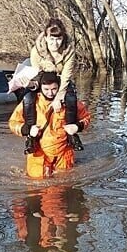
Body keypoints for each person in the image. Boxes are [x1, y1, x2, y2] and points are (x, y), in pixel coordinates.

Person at [9, 72, 91, 178]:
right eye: (46, 89)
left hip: (63, 152)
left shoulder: (70, 103)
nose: (50, 93)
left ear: (59, 88)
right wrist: (27, 130)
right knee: (36, 182)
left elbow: (86, 117)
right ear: (41, 88)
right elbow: (13, 122)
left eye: (54, 89)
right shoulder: (31, 103)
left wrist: (77, 126)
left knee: (64, 183)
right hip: (38, 151)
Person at [23, 18, 83, 154]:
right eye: (51, 39)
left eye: (58, 39)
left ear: (63, 38)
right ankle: (30, 136)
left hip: (61, 78)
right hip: (42, 78)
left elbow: (67, 76)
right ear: (45, 37)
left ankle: (71, 134)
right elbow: (36, 74)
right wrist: (30, 84)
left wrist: (58, 98)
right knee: (27, 98)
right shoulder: (36, 50)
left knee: (71, 98)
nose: (54, 43)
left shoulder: (69, 50)